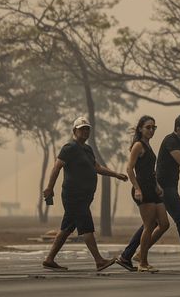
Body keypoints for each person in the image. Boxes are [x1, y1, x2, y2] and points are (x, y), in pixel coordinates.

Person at [117, 114, 180, 272]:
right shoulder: (170, 141)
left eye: (153, 128)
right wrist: (137, 188)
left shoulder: (177, 142)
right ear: (178, 129)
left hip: (158, 187)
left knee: (157, 224)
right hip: (164, 187)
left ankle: (129, 255)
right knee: (179, 221)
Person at [42, 116, 128, 271]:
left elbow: (97, 167)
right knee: (87, 226)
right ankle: (99, 261)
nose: (85, 131)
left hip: (85, 196)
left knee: (67, 228)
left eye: (87, 128)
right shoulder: (69, 148)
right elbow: (57, 168)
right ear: (74, 131)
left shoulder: (87, 149)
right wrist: (49, 188)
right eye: (82, 129)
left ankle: (49, 259)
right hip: (74, 195)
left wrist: (116, 174)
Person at [126, 115, 169, 272]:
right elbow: (129, 169)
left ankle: (140, 254)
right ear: (140, 129)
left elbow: (150, 171)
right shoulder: (138, 145)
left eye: (153, 127)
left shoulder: (148, 145)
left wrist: (157, 185)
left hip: (152, 188)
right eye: (148, 127)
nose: (151, 130)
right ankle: (143, 263)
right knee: (149, 225)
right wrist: (137, 188)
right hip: (142, 188)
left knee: (164, 224)